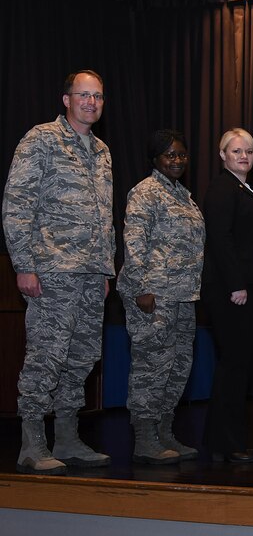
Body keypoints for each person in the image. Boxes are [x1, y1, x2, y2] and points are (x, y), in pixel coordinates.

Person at [2, 70, 114, 475]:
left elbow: (105, 217)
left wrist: (106, 270)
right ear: (66, 99)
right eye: (83, 95)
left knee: (83, 357)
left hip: (90, 275)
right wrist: (24, 265)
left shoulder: (102, 151)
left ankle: (67, 437)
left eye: (98, 96)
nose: (91, 102)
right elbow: (17, 203)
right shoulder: (41, 139)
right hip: (51, 273)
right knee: (46, 357)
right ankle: (32, 444)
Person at [117, 129, 205, 464]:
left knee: (178, 367)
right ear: (155, 159)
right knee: (151, 368)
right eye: (170, 155)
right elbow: (135, 241)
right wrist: (141, 288)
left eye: (182, 154)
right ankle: (144, 438)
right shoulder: (146, 192)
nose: (177, 160)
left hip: (182, 295)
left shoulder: (183, 194)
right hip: (154, 294)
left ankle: (165, 431)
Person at [201, 127, 253, 463]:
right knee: (233, 368)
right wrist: (237, 286)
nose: (244, 156)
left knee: (238, 368)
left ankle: (222, 440)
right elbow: (221, 239)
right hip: (232, 293)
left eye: (249, 151)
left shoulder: (244, 189)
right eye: (236, 151)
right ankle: (227, 443)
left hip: (249, 291)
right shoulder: (222, 189)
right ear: (222, 155)